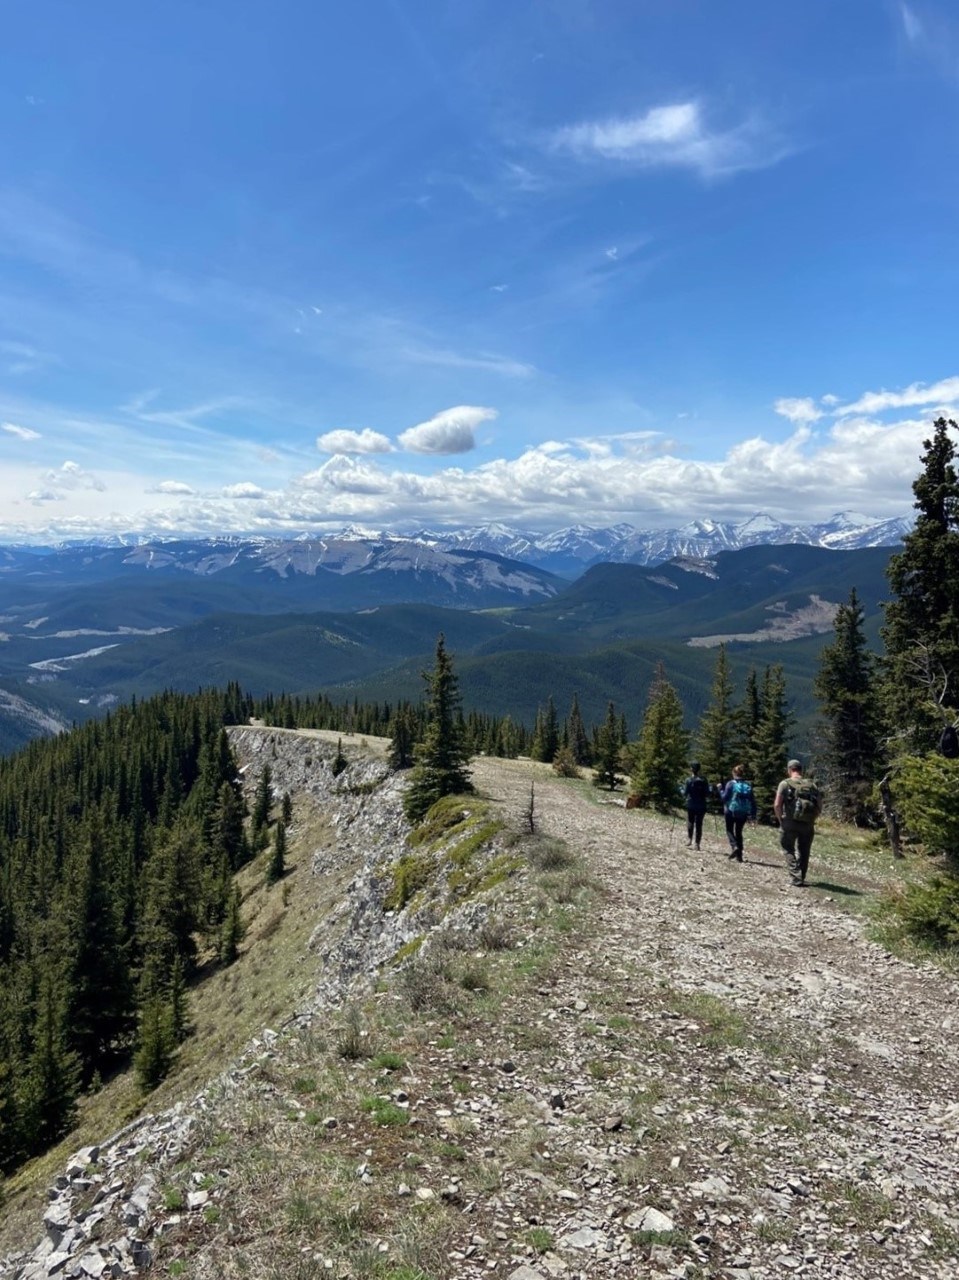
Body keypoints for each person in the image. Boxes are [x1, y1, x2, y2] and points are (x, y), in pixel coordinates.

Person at [774, 758, 822, 886]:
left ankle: (796, 877)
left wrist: (780, 819)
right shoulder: (812, 785)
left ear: (789, 770)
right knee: (804, 850)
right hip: (808, 824)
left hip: (789, 822)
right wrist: (812, 819)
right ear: (801, 770)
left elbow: (777, 805)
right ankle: (802, 875)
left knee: (788, 848)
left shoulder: (784, 784)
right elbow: (819, 806)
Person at [720, 764, 756, 861]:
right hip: (743, 812)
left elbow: (724, 798)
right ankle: (739, 856)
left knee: (729, 830)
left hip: (731, 811)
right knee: (739, 832)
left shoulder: (731, 784)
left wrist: (720, 790)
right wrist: (753, 815)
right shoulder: (747, 785)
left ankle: (734, 846)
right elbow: (753, 801)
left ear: (734, 773)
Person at [682, 762, 710, 850]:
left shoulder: (688, 780)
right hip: (701, 805)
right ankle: (697, 844)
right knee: (699, 824)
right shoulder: (704, 780)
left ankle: (689, 839)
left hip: (691, 804)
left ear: (691, 769)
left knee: (690, 821)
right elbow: (707, 794)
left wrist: (680, 790)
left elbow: (685, 793)